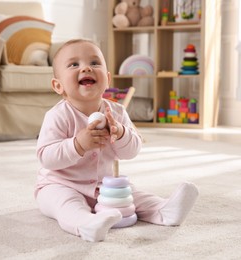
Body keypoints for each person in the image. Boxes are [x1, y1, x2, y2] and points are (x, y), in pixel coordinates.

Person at [35, 39, 199, 242]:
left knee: (133, 196)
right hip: (59, 185)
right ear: (58, 85)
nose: (86, 67)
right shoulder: (58, 115)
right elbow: (46, 157)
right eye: (74, 64)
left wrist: (120, 133)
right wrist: (78, 145)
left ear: (108, 79)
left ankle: (165, 210)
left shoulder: (117, 112)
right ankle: (86, 224)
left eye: (95, 63)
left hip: (104, 187)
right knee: (67, 204)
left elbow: (131, 151)